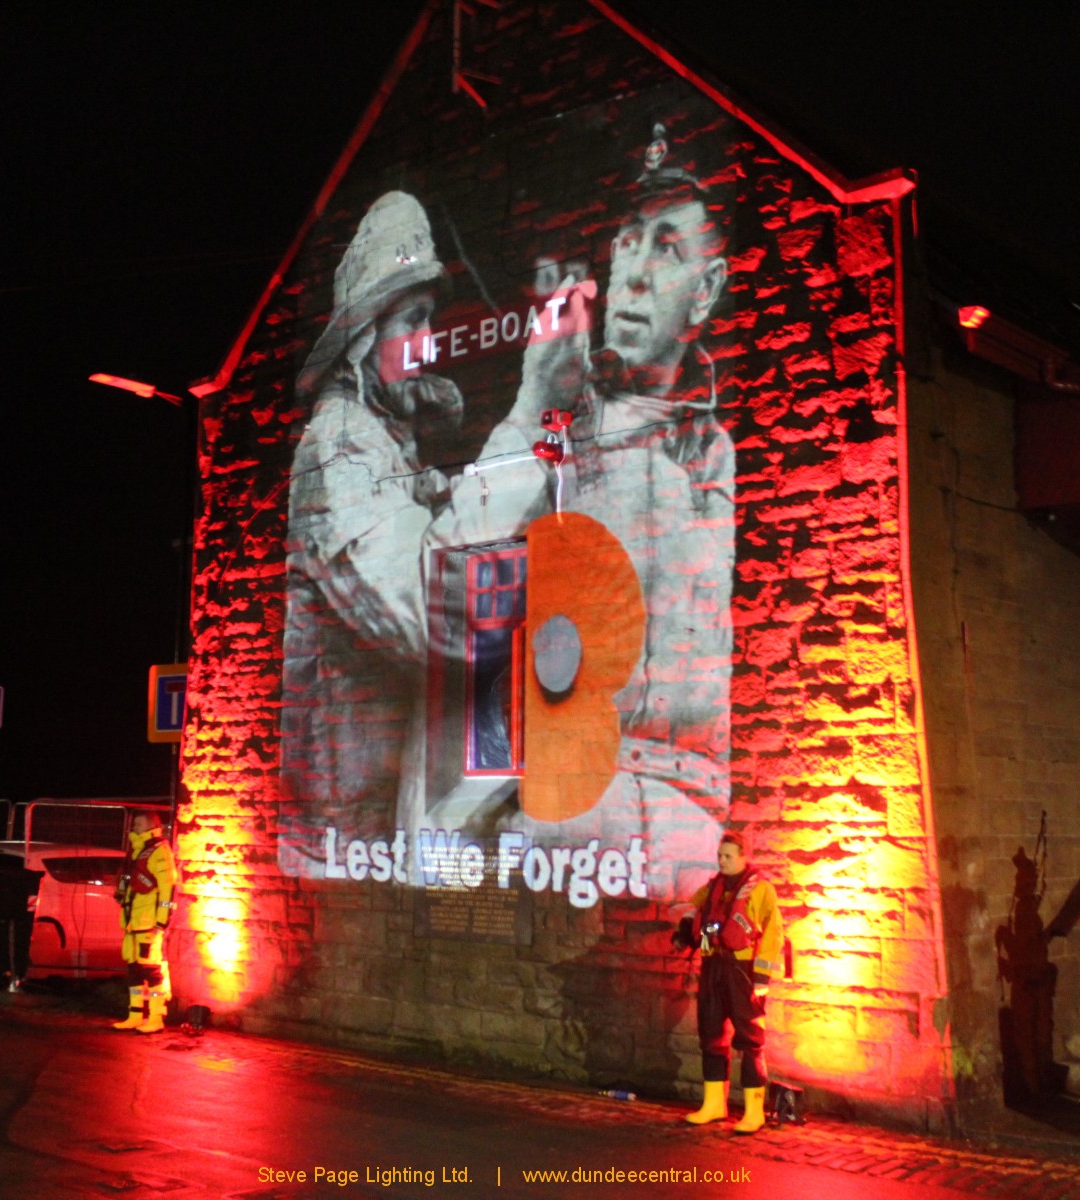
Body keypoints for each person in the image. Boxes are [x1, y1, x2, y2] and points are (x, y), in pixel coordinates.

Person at [449, 120, 736, 899]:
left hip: (666, 814)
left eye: (667, 249)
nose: (635, 273)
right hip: (558, 797)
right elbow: (457, 559)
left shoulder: (707, 451)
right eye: (630, 241)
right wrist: (534, 407)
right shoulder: (554, 430)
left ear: (706, 293)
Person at [279, 189, 467, 876]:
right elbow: (434, 622)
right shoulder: (339, 446)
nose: (428, 341)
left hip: (372, 837)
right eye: (409, 320)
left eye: (430, 319)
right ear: (363, 337)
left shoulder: (385, 443)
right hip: (338, 840)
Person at [677, 830, 783, 1133]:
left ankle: (754, 1110)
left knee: (750, 1040)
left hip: (742, 969)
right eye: (719, 855)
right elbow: (692, 907)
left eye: (727, 856)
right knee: (710, 1034)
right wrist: (684, 928)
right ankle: (714, 1104)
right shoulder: (714, 887)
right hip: (713, 965)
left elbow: (773, 933)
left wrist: (761, 977)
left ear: (742, 856)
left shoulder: (761, 889)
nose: (721, 861)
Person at [113, 810, 178, 1034]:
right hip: (133, 922)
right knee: (134, 971)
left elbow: (167, 889)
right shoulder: (136, 850)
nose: (134, 828)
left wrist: (161, 922)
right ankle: (134, 1015)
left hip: (148, 923)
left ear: (151, 826)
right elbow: (128, 878)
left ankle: (156, 1017)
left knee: (152, 971)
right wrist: (121, 892)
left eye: (138, 824)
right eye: (134, 824)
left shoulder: (160, 852)